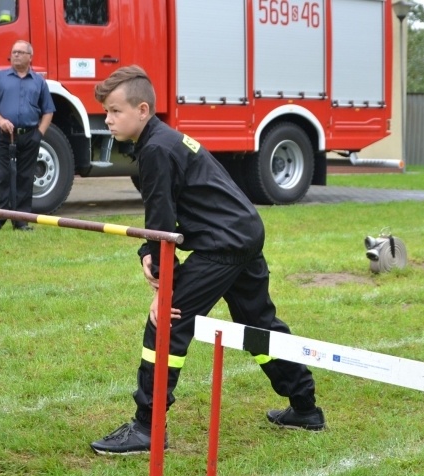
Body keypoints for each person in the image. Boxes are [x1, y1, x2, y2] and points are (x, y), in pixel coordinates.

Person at [90, 65, 325, 455]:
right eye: (106, 112)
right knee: (258, 325)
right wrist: (148, 251)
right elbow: (160, 218)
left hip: (224, 243)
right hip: (242, 232)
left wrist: (165, 289)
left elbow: (163, 224)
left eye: (115, 111)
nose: (108, 119)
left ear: (143, 110)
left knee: (166, 324)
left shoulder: (156, 149)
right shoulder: (158, 142)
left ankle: (147, 427)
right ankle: (305, 407)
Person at [0, 40, 55, 231]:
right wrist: (0, 121)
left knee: (25, 177)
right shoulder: (0, 77)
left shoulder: (39, 82)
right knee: (2, 176)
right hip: (5, 136)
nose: (16, 55)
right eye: (14, 52)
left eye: (21, 52)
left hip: (29, 135)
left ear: (30, 57)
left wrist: (39, 133)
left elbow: (48, 111)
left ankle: (21, 221)